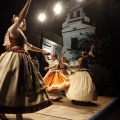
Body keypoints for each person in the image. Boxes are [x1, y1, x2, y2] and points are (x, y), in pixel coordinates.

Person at [0, 0, 52, 120]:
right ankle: (6, 112)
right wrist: (29, 1)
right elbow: (22, 16)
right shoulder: (13, 29)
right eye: (22, 21)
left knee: (18, 85)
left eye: (23, 21)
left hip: (21, 58)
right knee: (11, 85)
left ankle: (16, 113)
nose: (24, 22)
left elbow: (30, 46)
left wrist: (42, 51)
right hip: (14, 59)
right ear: (15, 22)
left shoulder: (21, 34)